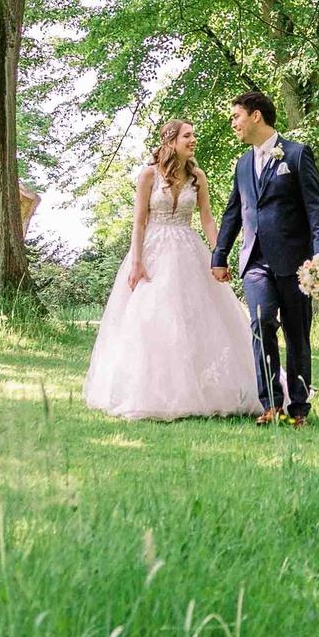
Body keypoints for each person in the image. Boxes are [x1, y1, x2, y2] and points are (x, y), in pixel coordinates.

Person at [83, 120, 259, 420]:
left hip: (188, 248)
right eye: (188, 136)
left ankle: (209, 390)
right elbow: (139, 221)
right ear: (171, 140)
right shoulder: (148, 175)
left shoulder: (197, 176)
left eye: (193, 136)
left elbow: (206, 219)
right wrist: (137, 261)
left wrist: (219, 255)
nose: (193, 140)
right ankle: (151, 392)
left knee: (198, 316)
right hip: (153, 251)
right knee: (154, 317)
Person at [211, 91, 319, 425]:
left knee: (297, 335)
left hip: (296, 264)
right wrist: (219, 254)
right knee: (261, 324)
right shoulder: (242, 164)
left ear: (255, 116)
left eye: (236, 116)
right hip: (255, 264)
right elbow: (233, 212)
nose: (233, 123)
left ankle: (299, 409)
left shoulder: (295, 155)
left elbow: (315, 208)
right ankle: (270, 403)